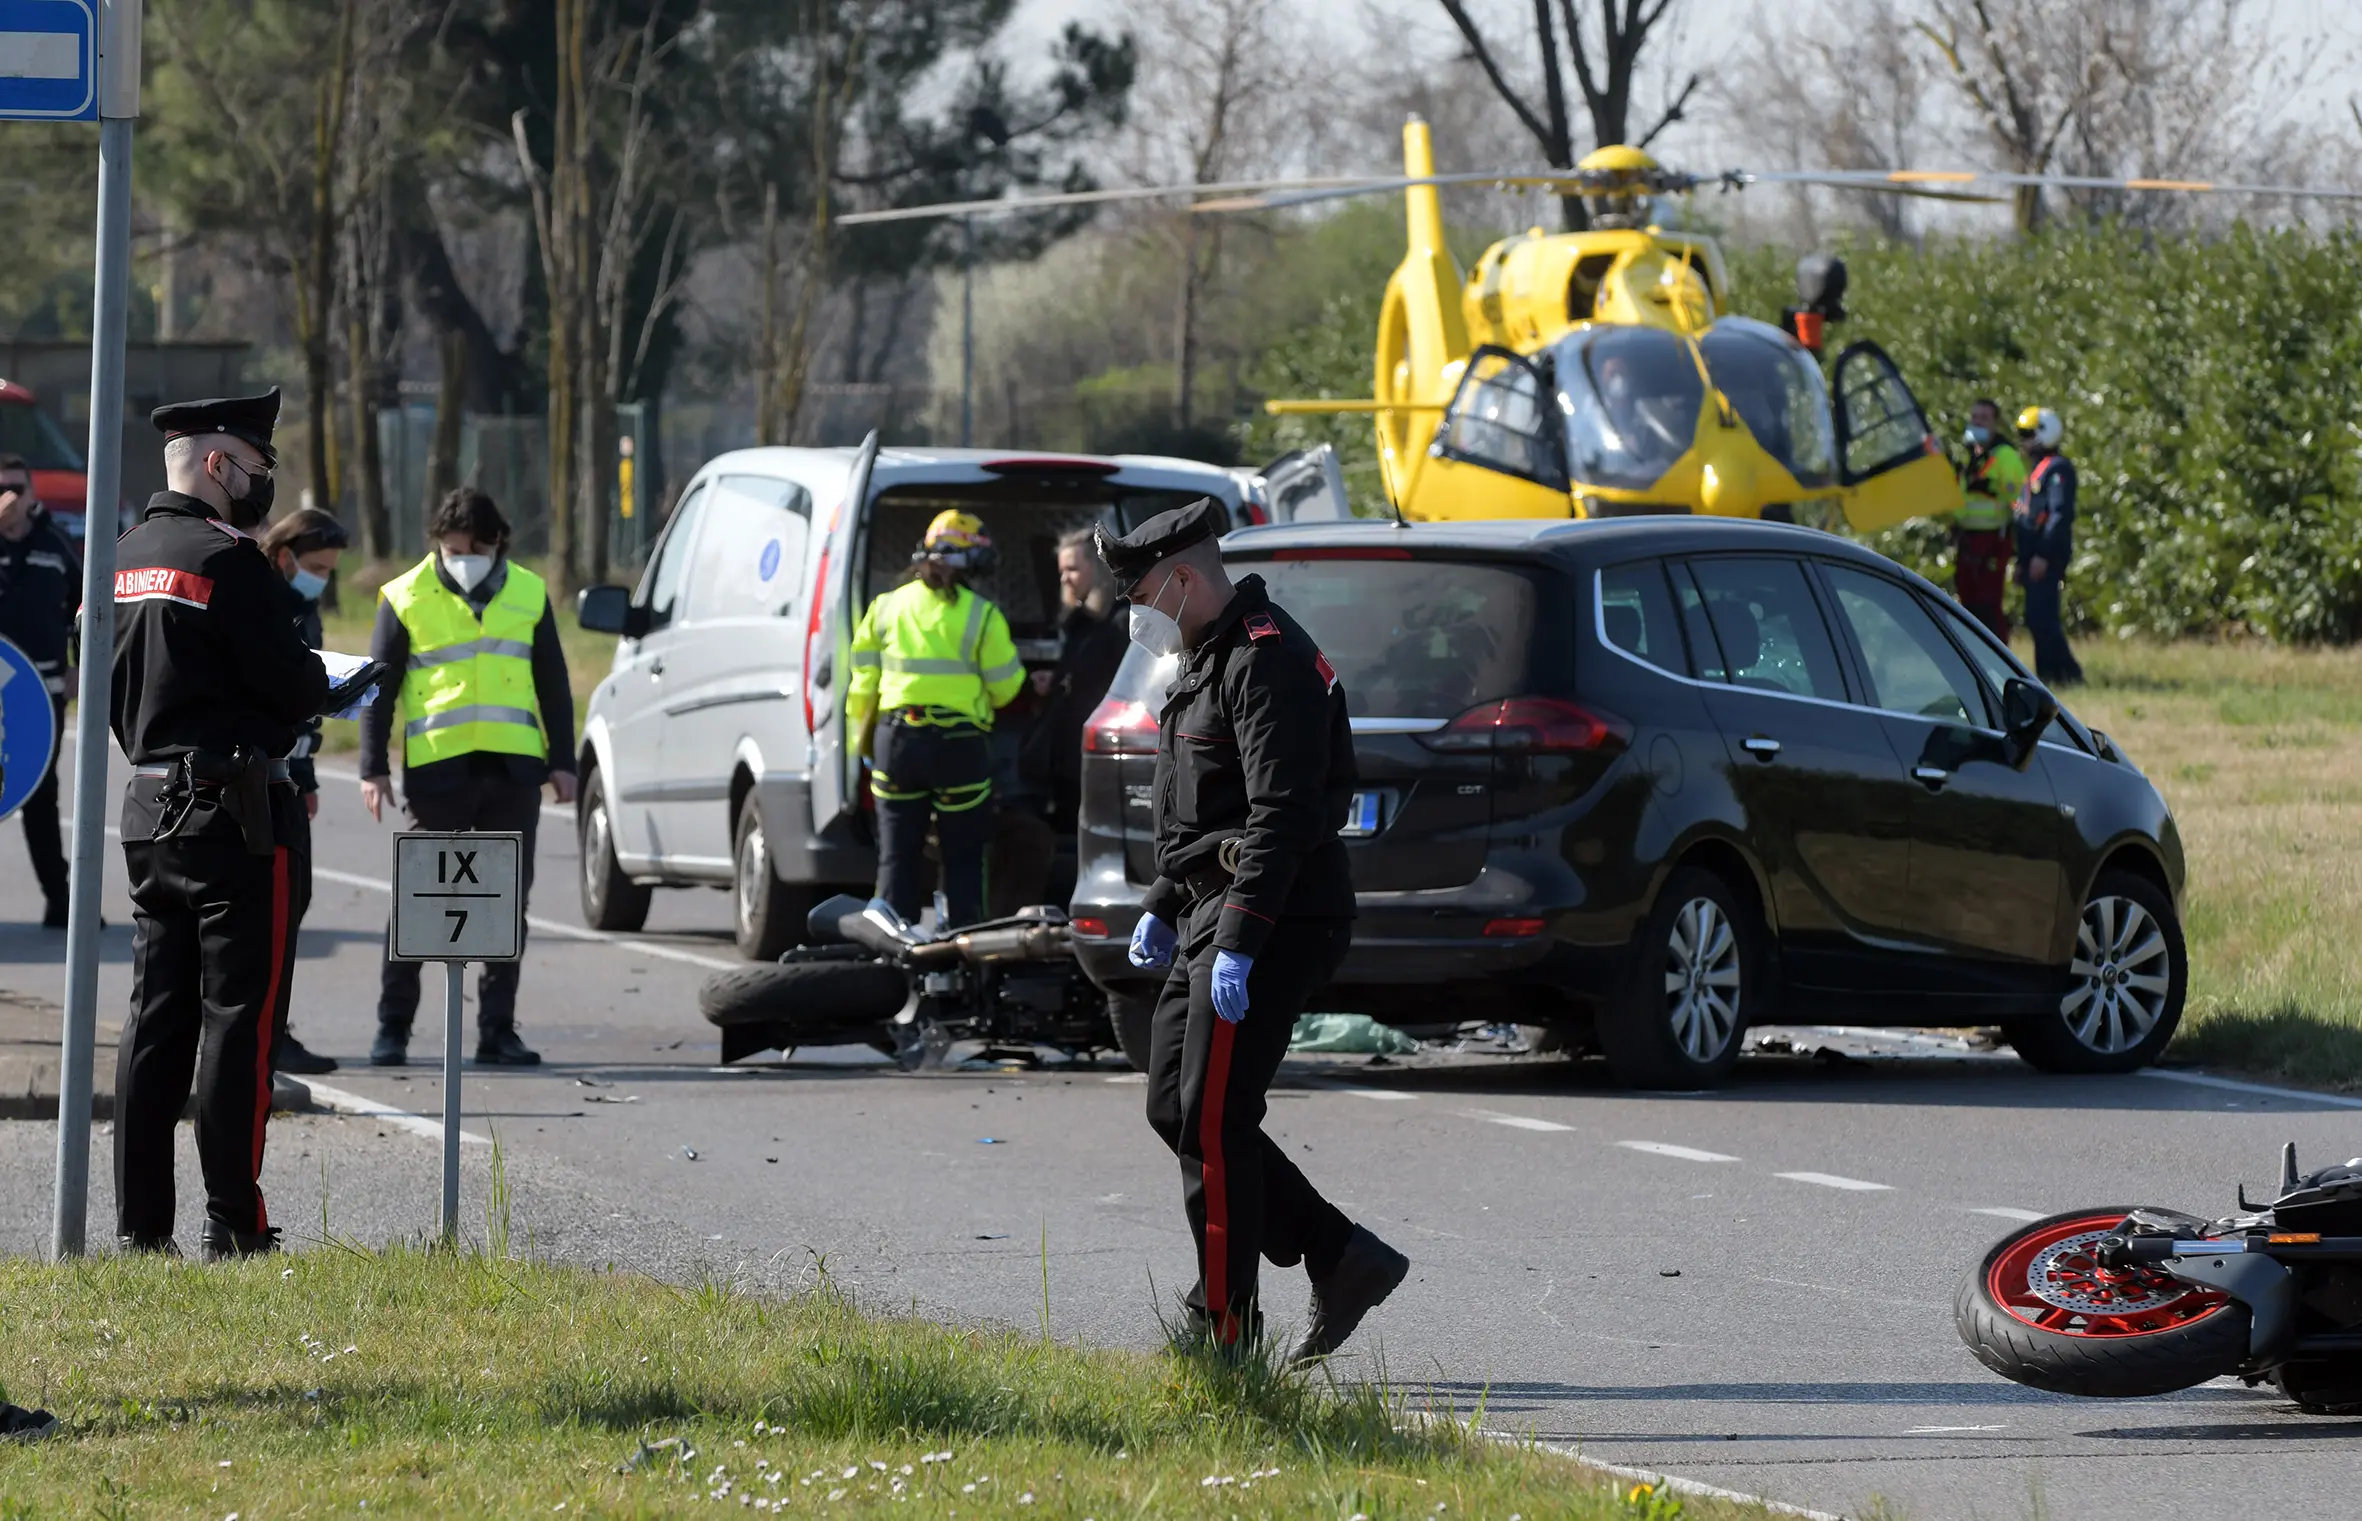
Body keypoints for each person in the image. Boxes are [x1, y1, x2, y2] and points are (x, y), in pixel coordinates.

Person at [1097, 500, 1408, 1363]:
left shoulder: (1266, 659)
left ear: (1183, 578)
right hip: (1210, 912)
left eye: (1142, 593)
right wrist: (1164, 902)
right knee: (1176, 1103)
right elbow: (1208, 808)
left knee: (1215, 1117)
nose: (1136, 613)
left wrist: (1237, 936)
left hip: (1273, 921)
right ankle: (1342, 1254)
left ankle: (1224, 1326)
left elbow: (1282, 813)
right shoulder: (1210, 657)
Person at [110, 388, 333, 1258]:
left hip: (147, 807)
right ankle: (235, 1222)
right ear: (217, 464)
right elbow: (294, 685)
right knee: (239, 1018)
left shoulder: (124, 553)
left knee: (152, 1017)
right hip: (235, 812)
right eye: (256, 465)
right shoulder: (228, 561)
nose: (262, 482)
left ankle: (140, 1226)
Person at [358, 488, 575, 1068]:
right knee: (418, 901)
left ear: (497, 541)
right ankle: (393, 1028)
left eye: (474, 547)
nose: (463, 556)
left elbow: (552, 681)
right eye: (452, 548)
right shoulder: (405, 596)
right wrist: (373, 767)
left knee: (506, 905)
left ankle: (497, 1030)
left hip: (513, 772)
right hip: (438, 772)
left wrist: (564, 763)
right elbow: (378, 690)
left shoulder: (529, 592)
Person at [847, 510, 1025, 929]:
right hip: (959, 749)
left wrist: (862, 746)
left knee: (895, 858)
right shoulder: (983, 616)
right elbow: (1006, 689)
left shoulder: (885, 608)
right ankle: (963, 958)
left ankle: (894, 955)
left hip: (897, 745)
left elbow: (862, 686)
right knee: (963, 858)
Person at [256, 507, 351, 1075]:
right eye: (316, 566)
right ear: (286, 555)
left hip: (290, 780)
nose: (322, 578)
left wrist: (309, 776)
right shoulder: (265, 601)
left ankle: (273, 1029)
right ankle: (266, 1034)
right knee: (272, 912)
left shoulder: (302, 607)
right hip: (259, 781)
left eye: (331, 570)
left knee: (293, 905)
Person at [0, 451, 80, 926]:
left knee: (39, 792)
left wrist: (78, 667)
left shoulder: (55, 543)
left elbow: (86, 609)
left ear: (34, 494)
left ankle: (60, 900)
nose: (10, 496)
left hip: (40, 696)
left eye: (17, 487)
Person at [1020, 526, 1129, 839]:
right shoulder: (1078, 623)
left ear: (1098, 571)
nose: (1064, 579)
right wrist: (1053, 681)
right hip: (1068, 757)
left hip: (1100, 757)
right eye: (1061, 571)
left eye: (1072, 569)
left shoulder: (1121, 622)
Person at [2014, 405, 2084, 686]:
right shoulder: (2036, 470)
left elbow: (2059, 515)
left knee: (2043, 618)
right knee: (2035, 617)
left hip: (2047, 557)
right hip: (2032, 557)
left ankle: (2067, 675)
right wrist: (2022, 561)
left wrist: (2042, 554)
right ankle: (2048, 676)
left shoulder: (2058, 469)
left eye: (2028, 434)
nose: (2023, 440)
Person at [1950, 398, 2027, 641]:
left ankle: (1999, 657)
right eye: (1974, 417)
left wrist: (1994, 488)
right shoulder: (1966, 455)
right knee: (1966, 601)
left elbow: (2021, 498)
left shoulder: (2005, 456)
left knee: (1989, 603)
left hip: (1993, 540)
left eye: (1984, 418)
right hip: (1966, 538)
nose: (1978, 422)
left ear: (1995, 423)